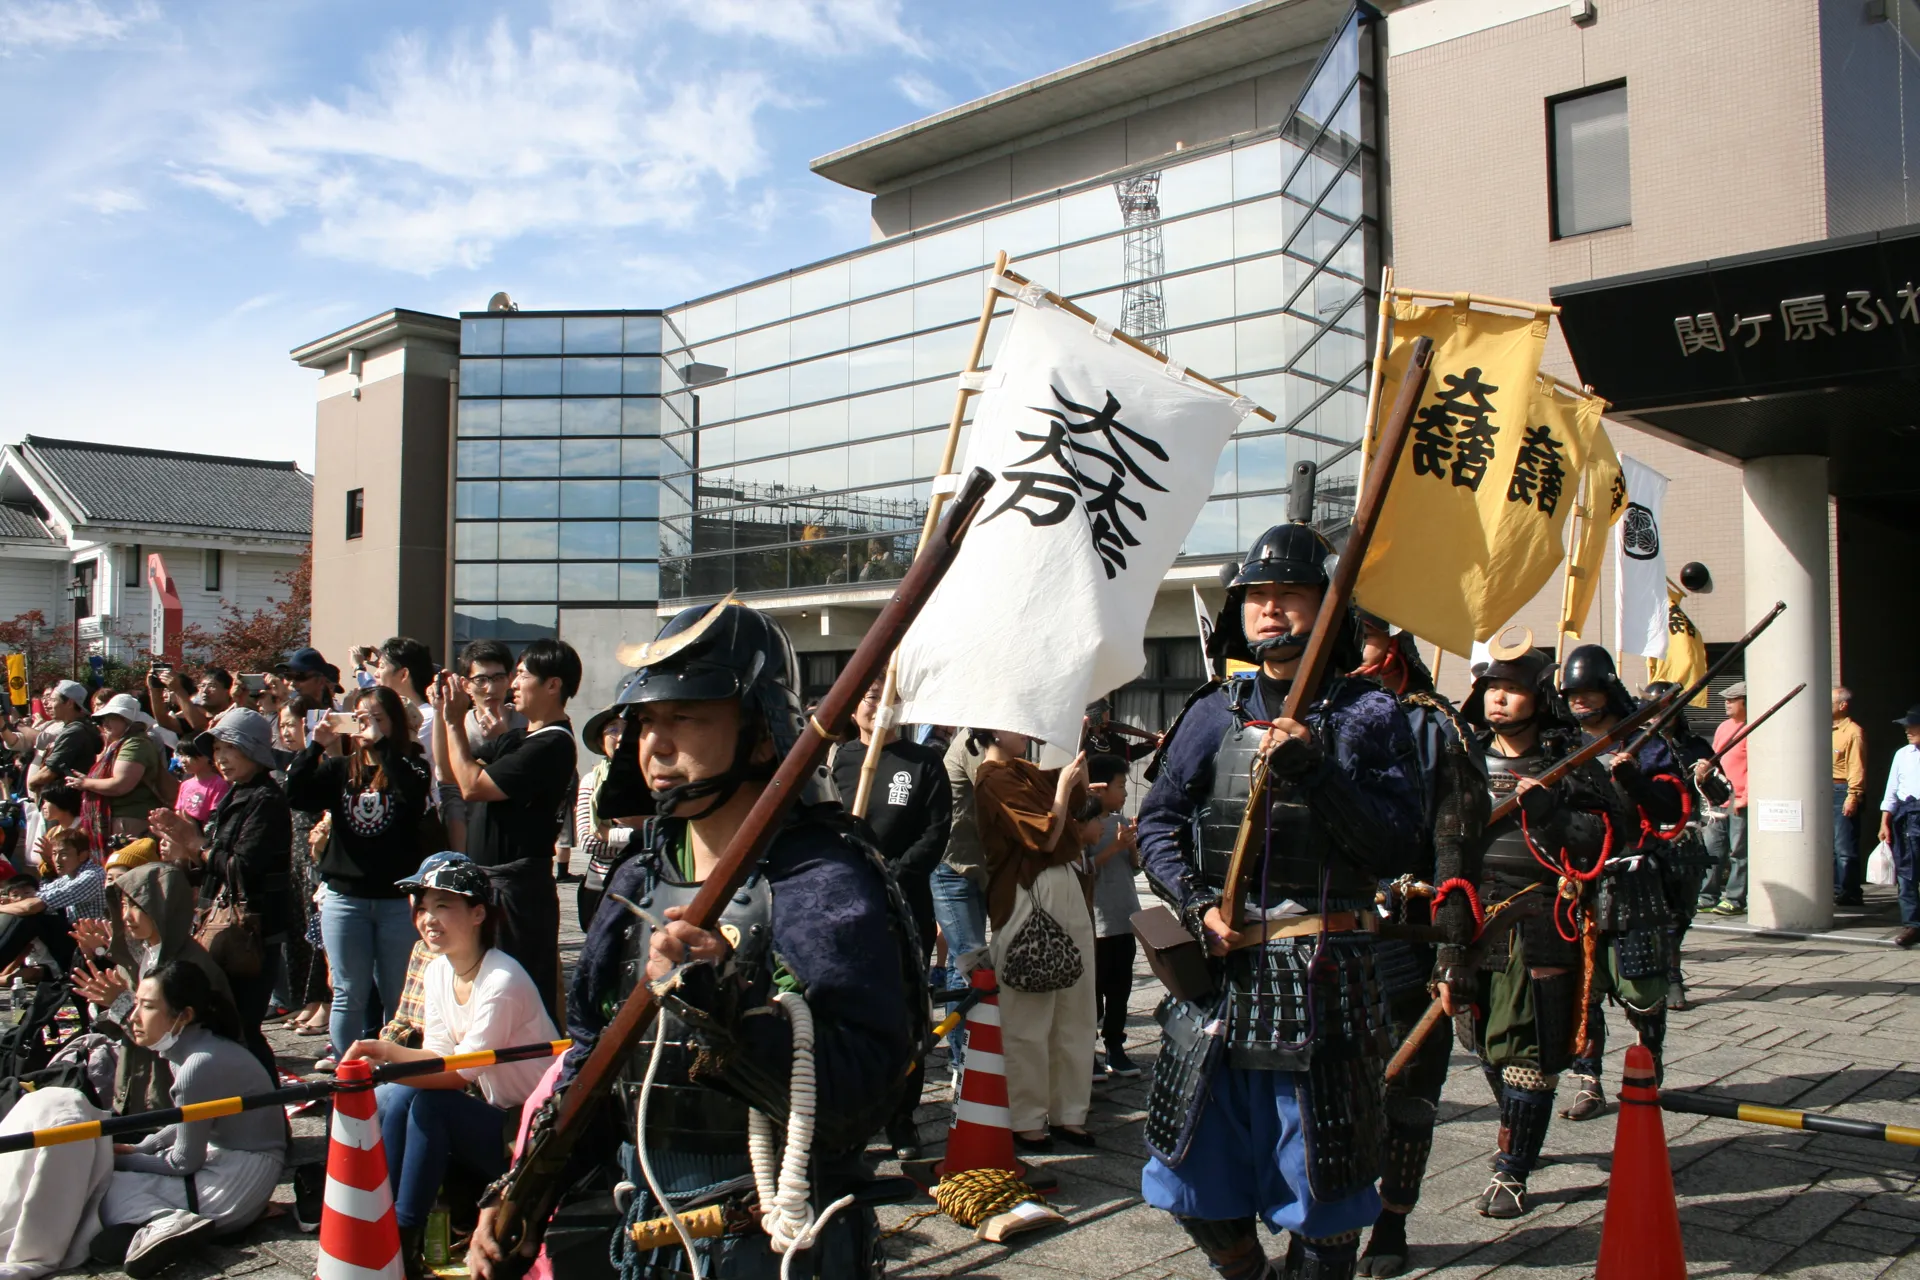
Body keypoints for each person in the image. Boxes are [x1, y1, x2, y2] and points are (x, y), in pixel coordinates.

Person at [467, 603, 917, 1280]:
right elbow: (593, 1061)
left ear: (762, 734)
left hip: (779, 1238)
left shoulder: (825, 881)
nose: (655, 743)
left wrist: (736, 1016)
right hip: (647, 1230)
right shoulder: (636, 880)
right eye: (646, 721)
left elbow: (863, 1094)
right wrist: (526, 1192)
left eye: (686, 716)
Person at [1136, 522, 1423, 1280]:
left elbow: (1398, 845)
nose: (1271, 610)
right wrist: (1198, 905)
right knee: (1189, 1177)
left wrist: (1318, 771)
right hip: (1219, 977)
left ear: (1325, 607)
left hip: (1323, 975)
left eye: (1289, 593)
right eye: (1257, 596)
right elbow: (1159, 821)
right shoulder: (1211, 711)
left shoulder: (1368, 714)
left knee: (1324, 1191)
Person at [1449, 644, 1619, 1218]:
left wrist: (1552, 812)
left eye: (1514, 687)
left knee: (1527, 1050)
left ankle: (1511, 1171)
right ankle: (1518, 1132)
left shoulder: (1571, 760)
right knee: (1486, 1046)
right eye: (1492, 686)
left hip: (1540, 919)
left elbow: (1606, 837)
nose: (1499, 696)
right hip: (1471, 917)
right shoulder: (1463, 756)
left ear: (1539, 697)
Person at [345, 853, 557, 1280]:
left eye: (443, 905)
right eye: (422, 907)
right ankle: (381, 1222)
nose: (428, 919)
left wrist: (384, 1058)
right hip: (497, 1116)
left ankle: (404, 1240)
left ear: (478, 913)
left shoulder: (502, 979)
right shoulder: (439, 970)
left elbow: (459, 1072)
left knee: (429, 1105)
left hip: (536, 1130)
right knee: (401, 1095)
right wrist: (379, 1052)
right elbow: (438, 1054)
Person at [1352, 614, 1486, 1272]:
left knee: (1408, 1090)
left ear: (1396, 644)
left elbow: (1455, 842)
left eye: (1365, 636)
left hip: (1410, 924)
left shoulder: (1436, 725)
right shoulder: (1309, 711)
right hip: (1327, 931)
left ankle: (1391, 1222)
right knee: (1334, 1092)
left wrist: (1451, 947)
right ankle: (1328, 1221)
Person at [91, 962, 285, 1276]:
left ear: (185, 1016)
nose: (135, 1016)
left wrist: (115, 1162)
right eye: (136, 1004)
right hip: (235, 1163)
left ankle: (164, 1222)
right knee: (114, 1179)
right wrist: (143, 1147)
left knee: (106, 1186)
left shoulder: (197, 1064)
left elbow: (183, 1162)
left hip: (235, 1182)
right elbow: (189, 1119)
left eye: (148, 1006)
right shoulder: (195, 1048)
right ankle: (150, 1226)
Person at [829, 677, 949, 1157]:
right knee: (846, 1009)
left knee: (905, 1011)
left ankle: (903, 1116)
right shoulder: (839, 760)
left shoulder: (923, 764)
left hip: (905, 904)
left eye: (884, 699)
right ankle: (852, 1114)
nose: (874, 706)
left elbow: (936, 832)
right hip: (844, 906)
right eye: (866, 696)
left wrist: (890, 875)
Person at [432, 638, 581, 1020]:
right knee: (487, 994)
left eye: (522, 674)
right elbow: (449, 772)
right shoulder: (521, 737)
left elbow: (472, 786)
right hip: (494, 883)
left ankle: (530, 1074)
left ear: (553, 685)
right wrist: (443, 716)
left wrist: (453, 721)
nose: (512, 683)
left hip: (517, 890)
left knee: (520, 995)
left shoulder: (552, 743)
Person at [286, 684, 433, 1063]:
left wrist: (383, 746)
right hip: (344, 896)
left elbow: (412, 797)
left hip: (395, 900)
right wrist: (314, 747)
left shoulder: (412, 764)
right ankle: (344, 1064)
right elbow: (297, 795)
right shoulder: (340, 769)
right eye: (361, 718)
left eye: (378, 719)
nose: (368, 727)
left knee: (396, 992)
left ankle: (392, 1064)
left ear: (395, 724)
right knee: (348, 991)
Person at [146, 709, 292, 1077]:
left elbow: (243, 866)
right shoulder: (236, 795)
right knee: (228, 1022)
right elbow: (214, 864)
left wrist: (195, 844)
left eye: (230, 748)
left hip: (253, 929)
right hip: (225, 922)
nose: (221, 757)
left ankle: (268, 1114)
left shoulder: (266, 799)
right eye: (217, 749)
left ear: (254, 751)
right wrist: (183, 850)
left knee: (243, 1026)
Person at [974, 729, 1097, 1151]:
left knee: (1076, 1007)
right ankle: (1026, 1117)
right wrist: (1063, 788)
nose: (1024, 730)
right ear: (992, 727)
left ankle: (1070, 1113)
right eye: (1015, 723)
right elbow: (1043, 834)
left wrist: (1074, 772)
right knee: (1028, 1011)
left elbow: (1074, 807)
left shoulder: (1022, 769)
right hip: (1027, 893)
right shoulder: (992, 777)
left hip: (1063, 883)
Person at [70, 861, 236, 1113]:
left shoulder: (189, 966)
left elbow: (172, 1038)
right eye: (124, 905)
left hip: (171, 1099)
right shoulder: (142, 954)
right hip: (137, 1087)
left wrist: (120, 1003)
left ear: (165, 908)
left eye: (137, 906)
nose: (126, 916)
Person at [1084, 753, 1143, 1079]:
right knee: (1093, 990)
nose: (1124, 792)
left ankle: (1116, 1047)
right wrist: (1115, 847)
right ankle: (1088, 1048)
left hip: (1124, 919)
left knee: (1121, 988)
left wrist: (1131, 846)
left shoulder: (1121, 823)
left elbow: (1133, 868)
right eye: (1120, 785)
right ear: (1100, 788)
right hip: (1098, 922)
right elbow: (1086, 869)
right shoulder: (1086, 824)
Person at [69, 693, 166, 849]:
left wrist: (86, 783)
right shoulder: (117, 745)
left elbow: (121, 784)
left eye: (112, 717)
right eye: (104, 718)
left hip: (129, 819)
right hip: (115, 818)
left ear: (126, 720)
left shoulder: (135, 744)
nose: (105, 722)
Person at [574, 705, 639, 929]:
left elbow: (663, 833)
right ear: (602, 741)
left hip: (642, 882)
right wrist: (638, 836)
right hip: (599, 885)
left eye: (628, 730)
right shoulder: (592, 781)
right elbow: (588, 840)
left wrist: (609, 834)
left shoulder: (653, 781)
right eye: (613, 729)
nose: (621, 737)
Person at [1700, 683, 1751, 916]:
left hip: (1740, 801)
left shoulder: (1753, 728)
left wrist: (1746, 798)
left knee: (1738, 853)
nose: (1727, 703)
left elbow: (1757, 767)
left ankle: (1735, 898)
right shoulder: (1723, 727)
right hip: (1717, 800)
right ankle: (1707, 896)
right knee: (1713, 849)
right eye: (1726, 699)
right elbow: (1715, 759)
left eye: (1733, 699)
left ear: (1746, 702)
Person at [1879, 705, 1920, 949]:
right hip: (1906, 818)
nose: (1907, 730)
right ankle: (1912, 924)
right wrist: (1885, 820)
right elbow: (1891, 791)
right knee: (1906, 874)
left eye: (1912, 725)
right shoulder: (1902, 754)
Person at [1834, 686, 1868, 907]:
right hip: (1823, 789)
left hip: (1841, 789)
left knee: (1844, 847)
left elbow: (1857, 766)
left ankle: (1851, 891)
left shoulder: (1853, 731)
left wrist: (1853, 795)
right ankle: (1835, 889)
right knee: (1827, 847)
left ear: (1842, 705)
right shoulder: (1826, 728)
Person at [173, 735, 229, 828]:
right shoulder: (185, 784)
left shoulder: (218, 784)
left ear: (206, 756)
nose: (183, 760)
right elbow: (179, 811)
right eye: (181, 755)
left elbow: (215, 817)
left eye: (188, 755)